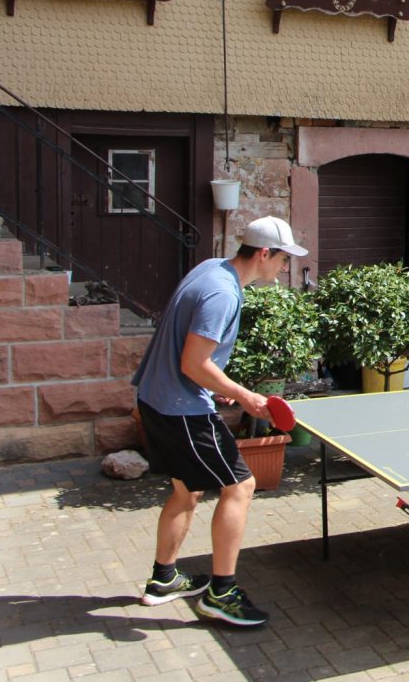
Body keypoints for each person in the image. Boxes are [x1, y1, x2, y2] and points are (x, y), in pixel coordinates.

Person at [132, 215, 308, 626]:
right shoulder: (223, 294)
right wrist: (246, 396)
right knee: (241, 486)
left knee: (185, 490)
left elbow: (194, 357)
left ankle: (163, 579)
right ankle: (221, 593)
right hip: (181, 409)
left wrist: (218, 384)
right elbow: (193, 362)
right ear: (265, 253)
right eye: (283, 259)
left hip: (154, 397)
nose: (284, 268)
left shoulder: (211, 268)